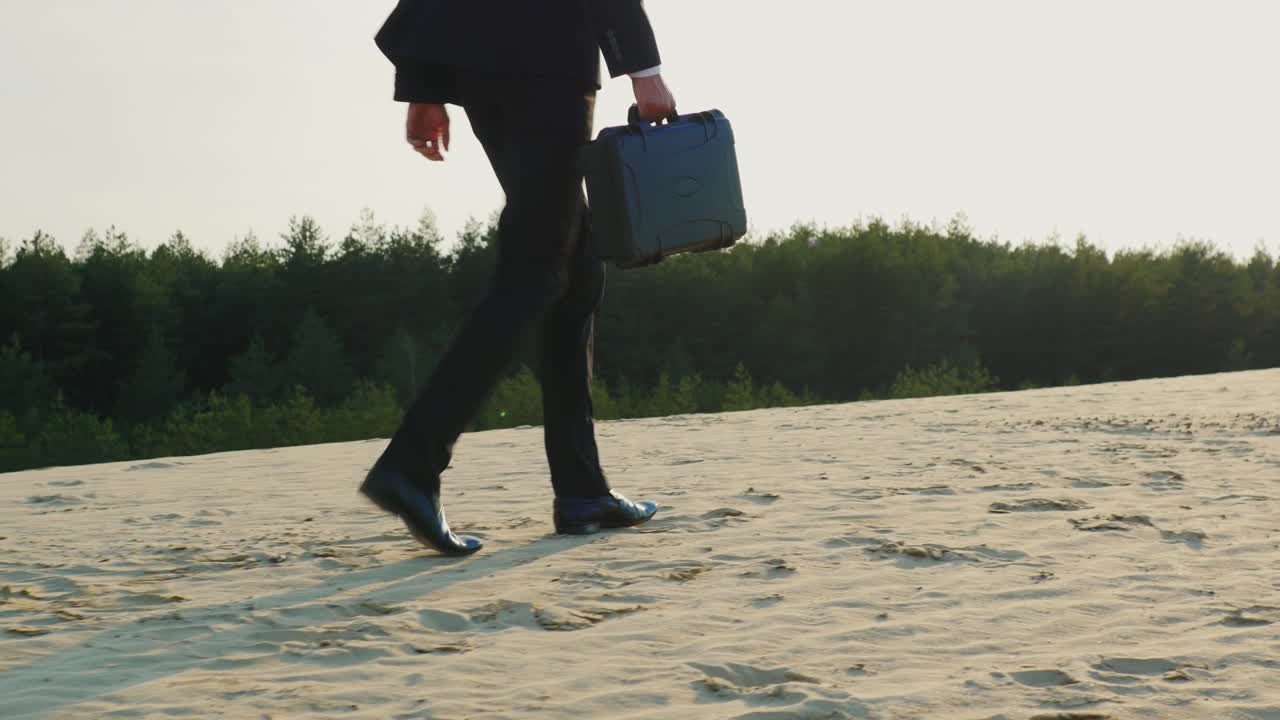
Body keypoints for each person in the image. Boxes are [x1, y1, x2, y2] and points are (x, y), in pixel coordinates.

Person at [360, 0, 677, 555]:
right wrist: (643, 71)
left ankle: (582, 491)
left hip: (477, 63)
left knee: (577, 274)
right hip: (546, 62)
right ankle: (412, 464)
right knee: (537, 273)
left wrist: (423, 87)